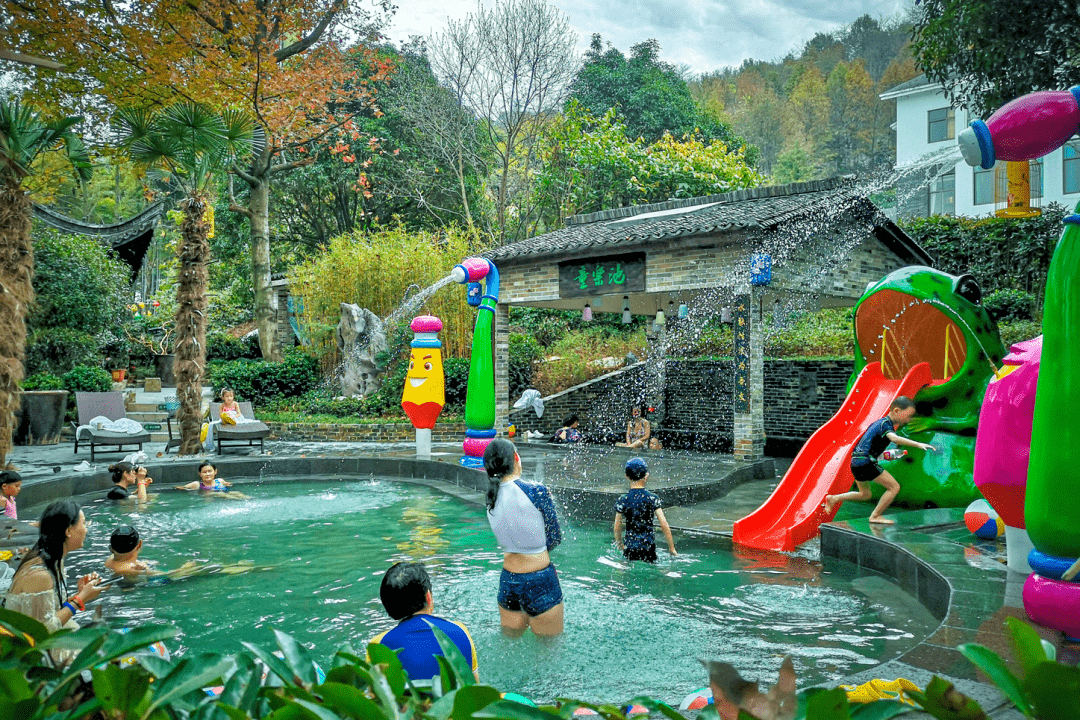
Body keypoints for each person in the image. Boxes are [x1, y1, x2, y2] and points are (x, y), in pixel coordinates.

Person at [2, 499, 105, 665]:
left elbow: (49, 609)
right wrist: (80, 600)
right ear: (69, 531)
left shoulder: (53, 559)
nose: (86, 530)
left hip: (47, 641)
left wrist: (81, 592)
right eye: (84, 524)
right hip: (32, 654)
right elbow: (42, 632)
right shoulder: (39, 574)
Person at [483, 438, 564, 637]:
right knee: (549, 652)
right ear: (516, 458)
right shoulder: (537, 491)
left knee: (509, 647)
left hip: (508, 581)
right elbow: (554, 537)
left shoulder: (490, 499)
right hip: (540, 579)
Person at [824, 397, 936, 524]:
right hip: (866, 462)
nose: (908, 420)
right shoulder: (886, 424)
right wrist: (918, 444)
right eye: (908, 416)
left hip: (856, 462)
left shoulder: (877, 424)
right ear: (897, 410)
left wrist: (889, 455)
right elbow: (895, 439)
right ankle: (875, 516)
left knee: (865, 494)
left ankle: (833, 498)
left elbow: (871, 450)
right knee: (894, 487)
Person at [371, 561, 479, 682]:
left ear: (388, 605)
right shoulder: (460, 630)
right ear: (428, 596)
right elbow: (474, 685)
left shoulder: (378, 644)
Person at [613, 458, 677, 562]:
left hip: (630, 547)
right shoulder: (652, 498)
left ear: (626, 476)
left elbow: (617, 526)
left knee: (626, 568)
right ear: (646, 476)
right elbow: (664, 524)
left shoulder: (623, 499)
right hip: (648, 547)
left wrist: (619, 544)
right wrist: (671, 548)